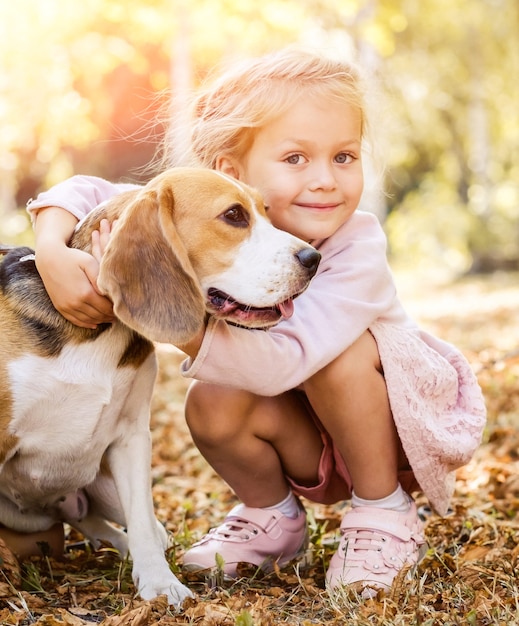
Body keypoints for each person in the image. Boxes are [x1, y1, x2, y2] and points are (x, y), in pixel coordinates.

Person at [24, 47, 486, 597]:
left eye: (344, 156)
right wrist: (52, 250)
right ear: (230, 174)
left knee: (340, 357)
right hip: (304, 435)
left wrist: (175, 319)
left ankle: (383, 512)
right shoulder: (209, 207)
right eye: (295, 158)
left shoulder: (357, 248)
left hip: (387, 432)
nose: (325, 181)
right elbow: (88, 192)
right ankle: (274, 519)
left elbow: (288, 360)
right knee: (211, 398)